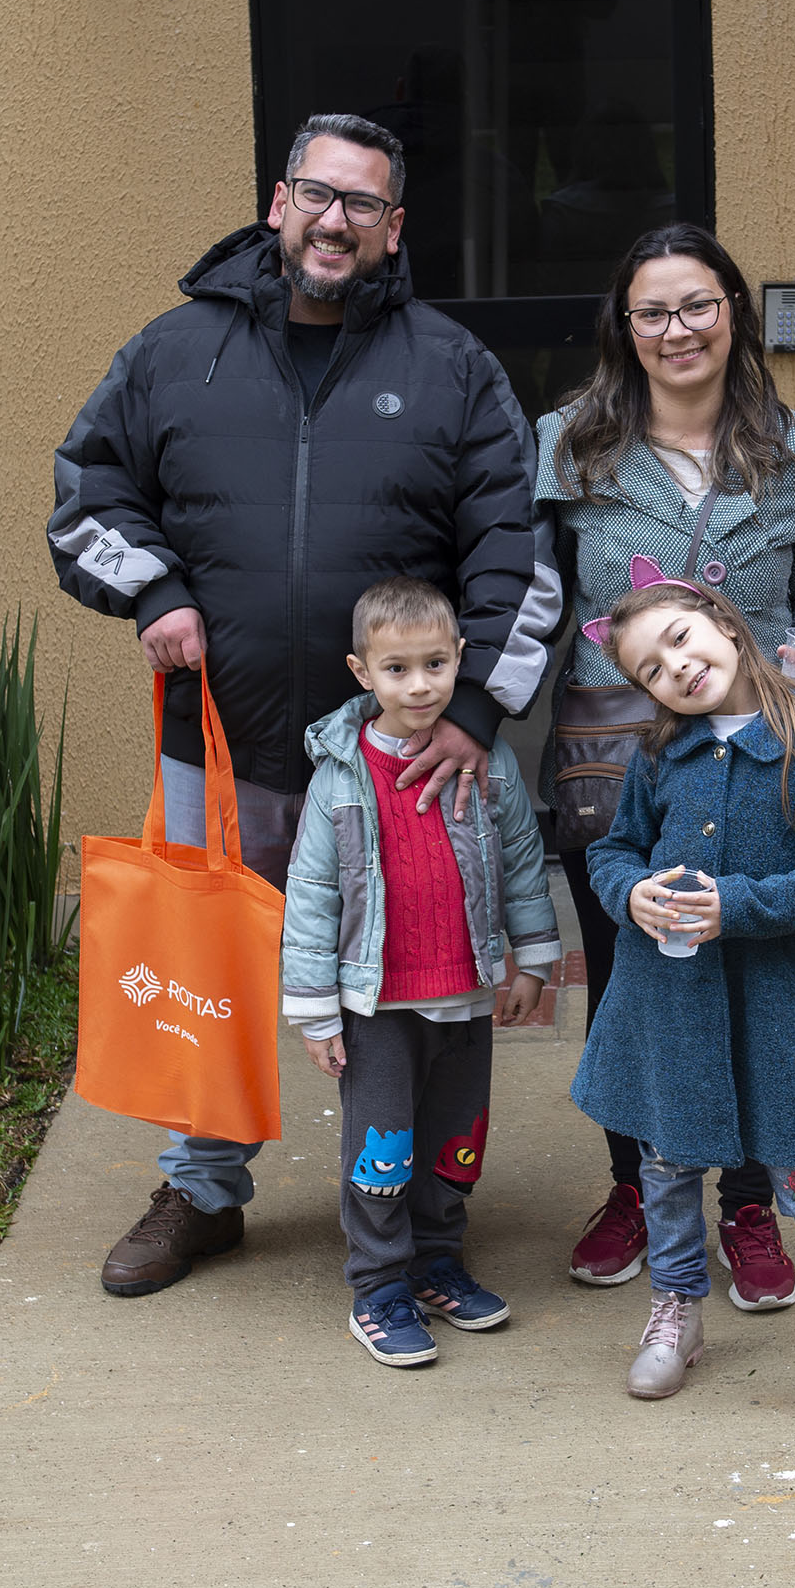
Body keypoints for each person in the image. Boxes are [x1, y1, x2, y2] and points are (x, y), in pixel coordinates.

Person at [49, 112, 559, 1299]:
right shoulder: (175, 350)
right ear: (279, 202)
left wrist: (476, 716)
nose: (337, 222)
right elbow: (86, 497)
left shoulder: (453, 368)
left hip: (399, 761)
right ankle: (202, 1189)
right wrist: (158, 590)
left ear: (394, 229)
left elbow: (516, 555)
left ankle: (424, 1211)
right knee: (202, 969)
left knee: (411, 988)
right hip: (217, 745)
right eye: (318, 196)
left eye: (364, 205)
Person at [535, 222, 795, 1306]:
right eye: (653, 311)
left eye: (698, 304)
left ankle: (752, 1204)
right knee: (635, 977)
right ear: (623, 329)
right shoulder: (570, 449)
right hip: (616, 762)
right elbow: (530, 597)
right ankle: (636, 1184)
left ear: (734, 312)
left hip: (759, 756)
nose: (677, 329)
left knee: (761, 980)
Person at [573, 577, 795, 1444]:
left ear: (725, 623)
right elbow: (611, 851)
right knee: (668, 1165)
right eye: (652, 668)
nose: (679, 667)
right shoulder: (656, 757)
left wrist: (739, 907)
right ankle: (676, 1309)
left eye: (685, 639)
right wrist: (629, 895)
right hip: (668, 1000)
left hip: (766, 1003)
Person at [282, 578, 562, 1367]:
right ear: (362, 672)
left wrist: (531, 961)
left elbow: (518, 865)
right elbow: (310, 894)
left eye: (435, 664)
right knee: (384, 1146)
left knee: (455, 1141)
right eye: (397, 669)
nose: (419, 684)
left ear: (460, 661)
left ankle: (438, 1259)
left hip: (467, 993)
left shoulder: (489, 760)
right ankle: (378, 1286)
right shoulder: (340, 771)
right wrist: (314, 1011)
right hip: (377, 1005)